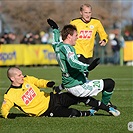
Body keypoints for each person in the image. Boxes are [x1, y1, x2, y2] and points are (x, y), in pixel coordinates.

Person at [47, 19, 120, 116]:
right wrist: (88, 67)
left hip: (70, 83)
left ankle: (100, 107)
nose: (77, 38)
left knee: (85, 97)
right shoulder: (67, 48)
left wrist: (55, 29)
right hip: (76, 85)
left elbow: (55, 41)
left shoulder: (58, 46)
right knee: (110, 83)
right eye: (76, 35)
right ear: (69, 36)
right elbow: (73, 62)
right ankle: (106, 106)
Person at [1, 67, 120, 119]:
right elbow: (4, 109)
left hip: (53, 98)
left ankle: (107, 109)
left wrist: (47, 83)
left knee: (78, 95)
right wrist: (7, 115)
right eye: (19, 75)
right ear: (12, 79)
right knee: (73, 113)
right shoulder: (10, 94)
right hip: (47, 111)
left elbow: (37, 81)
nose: (22, 76)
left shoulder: (26, 79)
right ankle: (90, 113)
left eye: (21, 74)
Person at [70, 4, 108, 77]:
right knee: (81, 73)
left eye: (89, 12)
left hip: (89, 53)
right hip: (77, 51)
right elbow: (68, 34)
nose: (88, 15)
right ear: (81, 13)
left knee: (85, 74)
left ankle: (61, 87)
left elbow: (103, 34)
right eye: (85, 12)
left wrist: (104, 40)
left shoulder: (96, 22)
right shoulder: (74, 23)